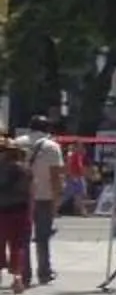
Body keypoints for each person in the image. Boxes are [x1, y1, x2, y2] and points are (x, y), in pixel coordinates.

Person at [24, 116, 63, 285]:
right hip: (44, 197)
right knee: (43, 237)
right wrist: (57, 199)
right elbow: (55, 176)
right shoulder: (52, 147)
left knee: (22, 237)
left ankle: (24, 273)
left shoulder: (17, 143)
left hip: (21, 197)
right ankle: (44, 272)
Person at [0, 135, 32, 295]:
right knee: (18, 246)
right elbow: (30, 191)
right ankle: (18, 278)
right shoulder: (24, 169)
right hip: (20, 210)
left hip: (2, 211)